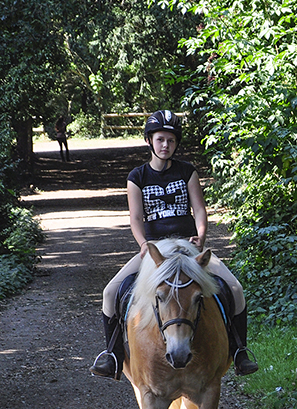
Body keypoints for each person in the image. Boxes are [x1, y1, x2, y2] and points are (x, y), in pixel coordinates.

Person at [90, 109, 258, 379]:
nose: (165, 145)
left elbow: (200, 210)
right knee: (111, 293)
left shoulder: (187, 172)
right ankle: (113, 355)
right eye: (160, 140)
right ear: (149, 141)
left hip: (188, 249)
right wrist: (143, 243)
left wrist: (200, 236)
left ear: (176, 143)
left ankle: (240, 351)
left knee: (235, 288)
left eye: (170, 140)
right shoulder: (137, 177)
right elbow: (135, 217)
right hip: (155, 250)